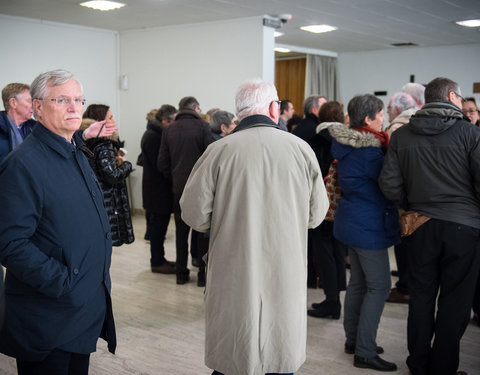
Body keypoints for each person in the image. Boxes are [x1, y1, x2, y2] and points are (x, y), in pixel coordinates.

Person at [180, 78, 329, 375]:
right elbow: (316, 216)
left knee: (234, 354)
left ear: (240, 112)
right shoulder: (301, 150)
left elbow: (194, 215)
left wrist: (228, 219)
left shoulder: (218, 151)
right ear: (274, 108)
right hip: (284, 268)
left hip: (235, 267)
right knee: (280, 352)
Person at [0, 69, 116, 374]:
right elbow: (10, 243)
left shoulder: (74, 151)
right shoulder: (24, 164)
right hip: (49, 315)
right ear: (37, 106)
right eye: (62, 99)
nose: (73, 107)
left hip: (80, 312)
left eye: (78, 99)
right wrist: (64, 282)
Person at [379, 77, 480, 375]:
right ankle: (443, 368)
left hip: (420, 225)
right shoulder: (469, 133)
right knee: (455, 303)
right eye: (461, 98)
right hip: (464, 227)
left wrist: (412, 205)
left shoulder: (402, 136)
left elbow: (388, 184)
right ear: (452, 96)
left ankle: (418, 364)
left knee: (421, 298)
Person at [329, 94, 400, 372]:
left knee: (358, 283)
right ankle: (365, 351)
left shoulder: (348, 144)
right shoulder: (371, 152)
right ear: (369, 119)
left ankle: (354, 340)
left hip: (352, 221)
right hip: (368, 224)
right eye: (380, 114)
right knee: (380, 285)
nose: (384, 118)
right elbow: (389, 187)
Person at [157, 96, 213, 285]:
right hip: (201, 189)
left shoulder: (169, 129)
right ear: (196, 108)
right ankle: (202, 276)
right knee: (201, 231)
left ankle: (181, 274)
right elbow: (210, 159)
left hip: (178, 188)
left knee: (181, 233)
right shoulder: (204, 128)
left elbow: (162, 162)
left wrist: (174, 178)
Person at [1, 83, 117, 164]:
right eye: (29, 100)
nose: (33, 105)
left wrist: (86, 134)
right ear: (13, 103)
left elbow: (59, 138)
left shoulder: (34, 127)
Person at [307, 101, 347, 319]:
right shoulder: (347, 138)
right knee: (338, 251)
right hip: (343, 204)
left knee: (324, 252)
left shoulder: (316, 141)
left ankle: (332, 302)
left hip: (322, 204)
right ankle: (336, 298)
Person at [81, 104, 135, 247]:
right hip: (108, 203)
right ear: (100, 121)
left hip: (95, 199)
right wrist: (126, 165)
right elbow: (112, 175)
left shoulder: (85, 141)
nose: (114, 122)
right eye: (110, 118)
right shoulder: (104, 144)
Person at [384, 91, 419, 305]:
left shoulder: (396, 130)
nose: (387, 113)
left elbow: (390, 171)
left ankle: (405, 287)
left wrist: (395, 198)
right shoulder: (419, 125)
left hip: (403, 200)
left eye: (388, 109)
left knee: (404, 244)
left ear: (397, 110)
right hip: (420, 197)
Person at [293, 95, 328, 288]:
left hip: (301, 190)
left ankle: (310, 278)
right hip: (307, 191)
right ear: (314, 110)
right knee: (312, 241)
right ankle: (312, 278)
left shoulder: (301, 128)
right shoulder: (314, 131)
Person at [141, 104, 177, 274]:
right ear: (164, 120)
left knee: (160, 227)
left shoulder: (155, 133)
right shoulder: (153, 136)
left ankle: (160, 259)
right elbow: (159, 164)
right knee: (158, 228)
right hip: (157, 190)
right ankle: (156, 261)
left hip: (157, 188)